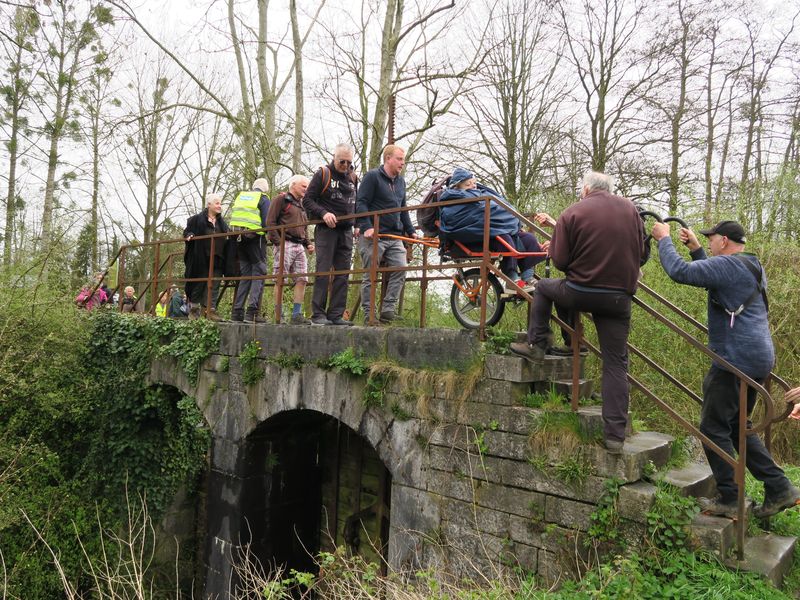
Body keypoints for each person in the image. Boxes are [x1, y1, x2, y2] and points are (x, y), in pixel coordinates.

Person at [651, 219, 800, 518]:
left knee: (712, 427)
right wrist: (695, 250)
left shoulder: (729, 266)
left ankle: (731, 497)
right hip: (758, 357)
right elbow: (716, 279)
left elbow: (680, 273)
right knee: (736, 426)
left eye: (711, 238)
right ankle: (780, 488)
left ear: (725, 241)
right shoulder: (750, 264)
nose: (708, 241)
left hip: (735, 360)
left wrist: (663, 239)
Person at [510, 171, 647, 455]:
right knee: (616, 364)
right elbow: (643, 254)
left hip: (582, 291)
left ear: (586, 189)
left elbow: (559, 261)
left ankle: (537, 344)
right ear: (610, 190)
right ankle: (614, 437)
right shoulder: (632, 210)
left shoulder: (572, 213)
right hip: (618, 298)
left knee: (546, 287)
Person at [438, 167, 546, 293]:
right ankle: (512, 280)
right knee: (504, 240)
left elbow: (496, 210)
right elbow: (467, 218)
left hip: (495, 229)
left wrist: (509, 222)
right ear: (457, 186)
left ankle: (527, 277)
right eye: (468, 184)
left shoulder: (482, 194)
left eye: (474, 182)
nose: (473, 186)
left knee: (529, 239)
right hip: (476, 235)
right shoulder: (454, 201)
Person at [356, 145, 416, 324]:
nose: (402, 163)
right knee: (371, 274)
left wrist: (411, 231)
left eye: (403, 159)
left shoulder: (401, 182)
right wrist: (367, 226)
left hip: (394, 235)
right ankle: (369, 313)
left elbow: (402, 209)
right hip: (373, 235)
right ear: (388, 158)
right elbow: (361, 203)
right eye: (399, 159)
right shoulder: (372, 177)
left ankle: (388, 309)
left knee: (401, 268)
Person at [303, 144, 359, 326]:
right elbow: (307, 200)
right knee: (323, 271)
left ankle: (336, 314)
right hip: (327, 230)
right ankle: (318, 314)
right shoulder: (323, 174)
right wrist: (323, 213)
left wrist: (358, 224)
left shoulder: (353, 177)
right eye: (342, 161)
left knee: (343, 273)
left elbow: (356, 202)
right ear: (334, 158)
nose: (345, 165)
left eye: (349, 162)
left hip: (346, 230)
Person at [266, 175, 314, 324]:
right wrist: (278, 242)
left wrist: (308, 243)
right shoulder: (281, 199)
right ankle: (279, 315)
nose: (306, 189)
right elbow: (270, 222)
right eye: (304, 186)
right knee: (280, 279)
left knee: (302, 279)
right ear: (293, 185)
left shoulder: (302, 205)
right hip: (285, 242)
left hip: (299, 245)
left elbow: (303, 227)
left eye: (307, 187)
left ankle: (296, 314)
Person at [183, 192, 229, 321]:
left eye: (220, 203)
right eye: (217, 203)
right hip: (201, 258)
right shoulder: (197, 219)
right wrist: (190, 235)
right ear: (209, 205)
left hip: (218, 259)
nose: (220, 206)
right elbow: (187, 231)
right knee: (199, 283)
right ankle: (194, 309)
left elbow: (227, 235)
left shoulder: (221, 222)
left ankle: (211, 310)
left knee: (215, 284)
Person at [230, 178, 270, 323]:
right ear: (265, 188)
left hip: (239, 239)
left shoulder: (241, 196)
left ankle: (237, 312)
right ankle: (252, 312)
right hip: (255, 239)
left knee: (246, 274)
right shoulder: (263, 198)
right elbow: (267, 222)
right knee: (259, 272)